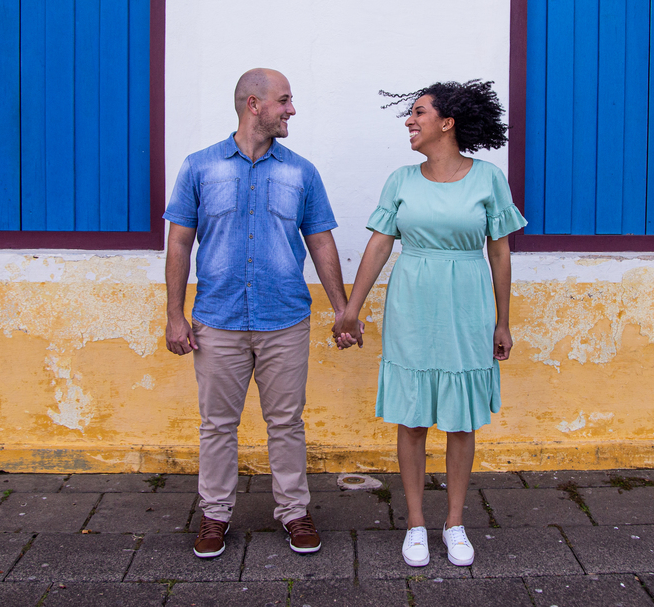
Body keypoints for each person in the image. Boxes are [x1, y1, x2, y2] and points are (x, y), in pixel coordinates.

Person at [333, 80, 526, 568]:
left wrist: (504, 321)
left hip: (467, 301)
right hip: (413, 301)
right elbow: (379, 245)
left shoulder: (488, 179)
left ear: (447, 122)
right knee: (414, 416)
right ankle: (416, 525)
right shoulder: (401, 179)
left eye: (419, 113)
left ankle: (455, 523)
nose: (409, 121)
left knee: (460, 420)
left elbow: (499, 253)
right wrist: (351, 309)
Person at [164, 67, 352, 559]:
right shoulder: (199, 167)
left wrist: (342, 310)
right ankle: (214, 514)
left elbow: (321, 240)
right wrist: (174, 314)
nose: (292, 109)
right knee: (217, 424)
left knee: (287, 422)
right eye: (284, 100)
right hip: (216, 319)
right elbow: (180, 242)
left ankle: (294, 511)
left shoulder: (301, 172)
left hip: (284, 319)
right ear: (254, 104)